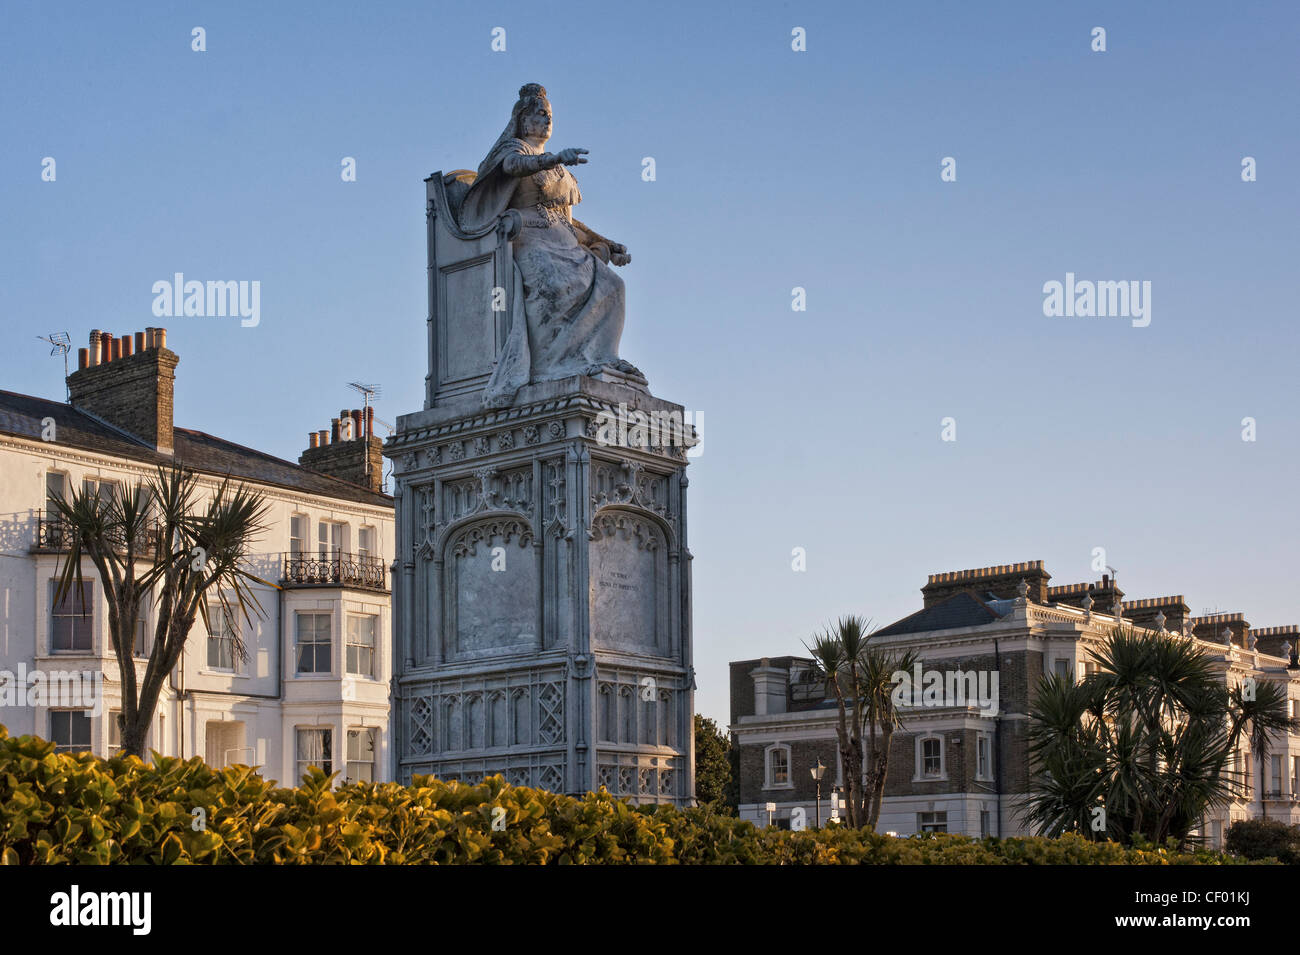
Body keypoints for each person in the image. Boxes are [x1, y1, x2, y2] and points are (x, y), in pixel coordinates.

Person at [459, 83, 642, 407]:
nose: (546, 120)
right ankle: (555, 365)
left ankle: (599, 358)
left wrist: (606, 243)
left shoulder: (555, 166)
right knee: (557, 286)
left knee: (613, 285)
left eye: (550, 115)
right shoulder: (514, 150)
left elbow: (568, 221)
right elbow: (514, 167)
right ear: (522, 119)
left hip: (565, 242)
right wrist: (553, 157)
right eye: (539, 114)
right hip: (528, 239)